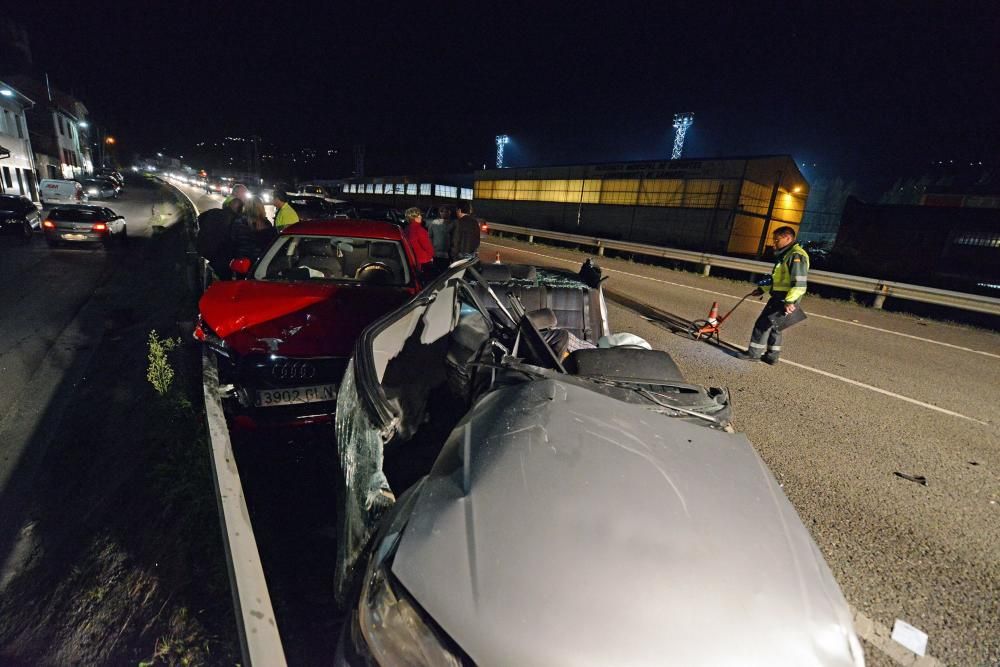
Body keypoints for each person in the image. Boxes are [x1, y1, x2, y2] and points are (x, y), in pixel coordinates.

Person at [739, 226, 810, 365]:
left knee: (763, 324)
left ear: (788, 238)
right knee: (776, 327)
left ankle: (753, 354)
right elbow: (777, 278)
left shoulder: (796, 255)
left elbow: (800, 283)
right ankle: (772, 357)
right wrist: (762, 289)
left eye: (777, 240)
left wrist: (790, 301)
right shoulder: (786, 254)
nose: (774, 243)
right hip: (782, 296)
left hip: (785, 298)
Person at [198, 196, 255, 280]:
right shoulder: (235, 221)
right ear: (239, 210)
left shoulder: (213, 212)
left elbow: (198, 220)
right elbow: (234, 240)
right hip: (221, 258)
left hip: (204, 252)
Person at [403, 207, 435, 276]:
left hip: (410, 261)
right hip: (424, 262)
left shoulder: (406, 229)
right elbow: (428, 247)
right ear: (414, 217)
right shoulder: (420, 230)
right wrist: (431, 256)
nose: (421, 217)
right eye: (419, 215)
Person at [427, 205, 452, 272]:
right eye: (444, 211)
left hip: (437, 253)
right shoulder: (453, 224)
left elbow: (429, 237)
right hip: (445, 254)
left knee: (436, 272)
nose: (446, 213)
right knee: (444, 273)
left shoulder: (433, 223)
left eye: (447, 211)